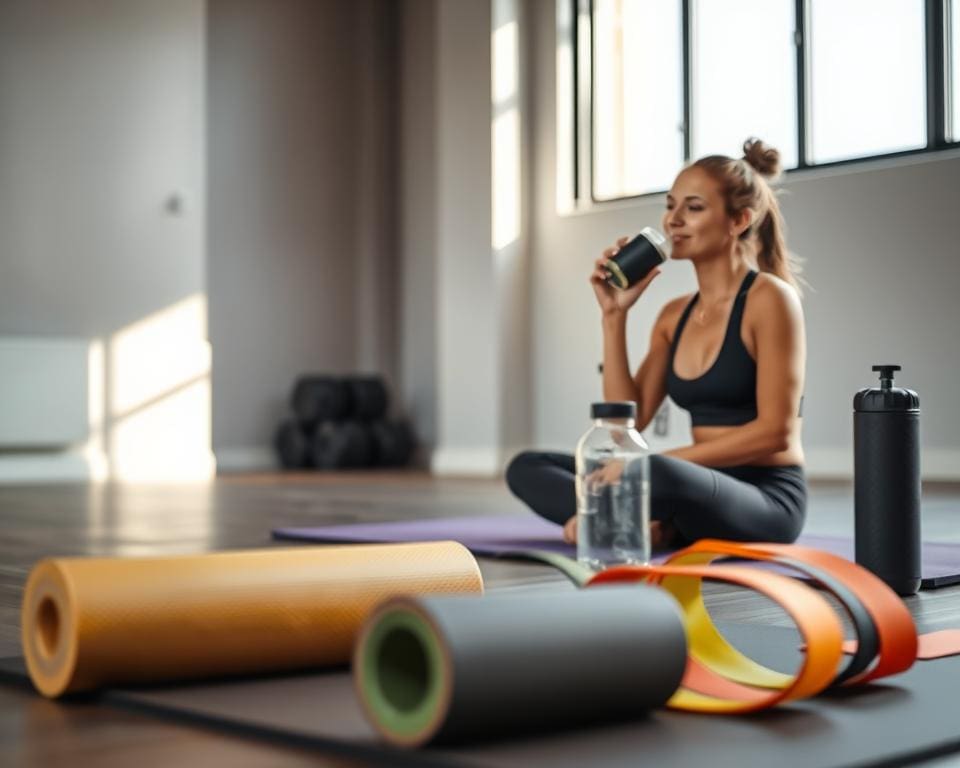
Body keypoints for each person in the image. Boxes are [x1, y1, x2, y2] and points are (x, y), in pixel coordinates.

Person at [506, 138, 807, 549]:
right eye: (670, 205)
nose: (672, 220)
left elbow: (775, 432)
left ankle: (617, 518)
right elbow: (625, 427)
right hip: (691, 485)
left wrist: (649, 466)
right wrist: (614, 316)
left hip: (764, 498)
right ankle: (645, 524)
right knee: (528, 467)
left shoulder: (769, 299)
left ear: (738, 220)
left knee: (655, 472)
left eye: (693, 207)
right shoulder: (673, 315)